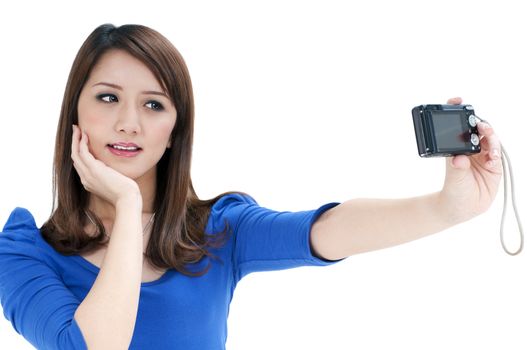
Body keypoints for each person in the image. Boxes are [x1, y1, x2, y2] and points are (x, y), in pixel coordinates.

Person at [0, 23, 503, 350]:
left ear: (175, 131)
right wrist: (128, 207)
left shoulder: (215, 233)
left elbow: (323, 230)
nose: (129, 122)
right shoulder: (25, 253)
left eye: (153, 104)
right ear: (75, 113)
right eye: (108, 98)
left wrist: (447, 208)